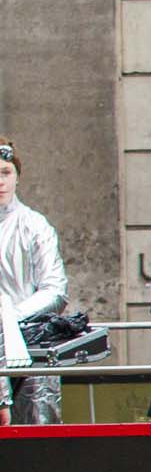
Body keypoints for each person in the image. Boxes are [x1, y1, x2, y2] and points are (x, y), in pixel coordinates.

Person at [0, 138, 67, 425]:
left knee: (37, 437)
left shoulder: (34, 225)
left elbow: (56, 290)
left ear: (17, 176)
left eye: (6, 173)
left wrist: (9, 317)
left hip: (31, 349)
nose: (1, 181)